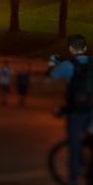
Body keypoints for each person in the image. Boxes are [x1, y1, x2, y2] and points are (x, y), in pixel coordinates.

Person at [51, 35, 93, 185]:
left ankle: (74, 180)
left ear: (70, 48)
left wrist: (52, 65)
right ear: (85, 48)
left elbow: (48, 79)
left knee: (75, 147)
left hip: (76, 111)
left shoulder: (68, 65)